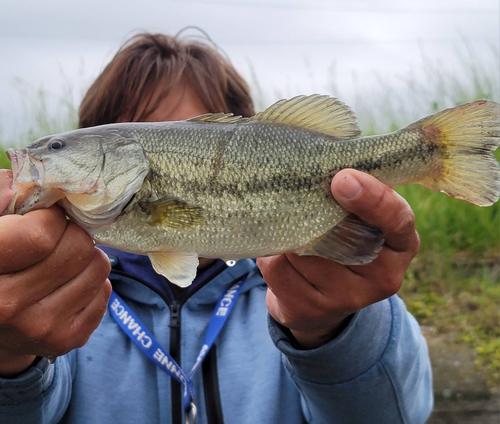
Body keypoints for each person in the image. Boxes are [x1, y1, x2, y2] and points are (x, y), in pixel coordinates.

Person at [0, 33, 433, 423]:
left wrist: (336, 327)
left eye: (56, 149)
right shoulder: (65, 295)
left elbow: (397, 415)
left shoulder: (289, 281)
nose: (45, 155)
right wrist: (10, 351)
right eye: (152, 129)